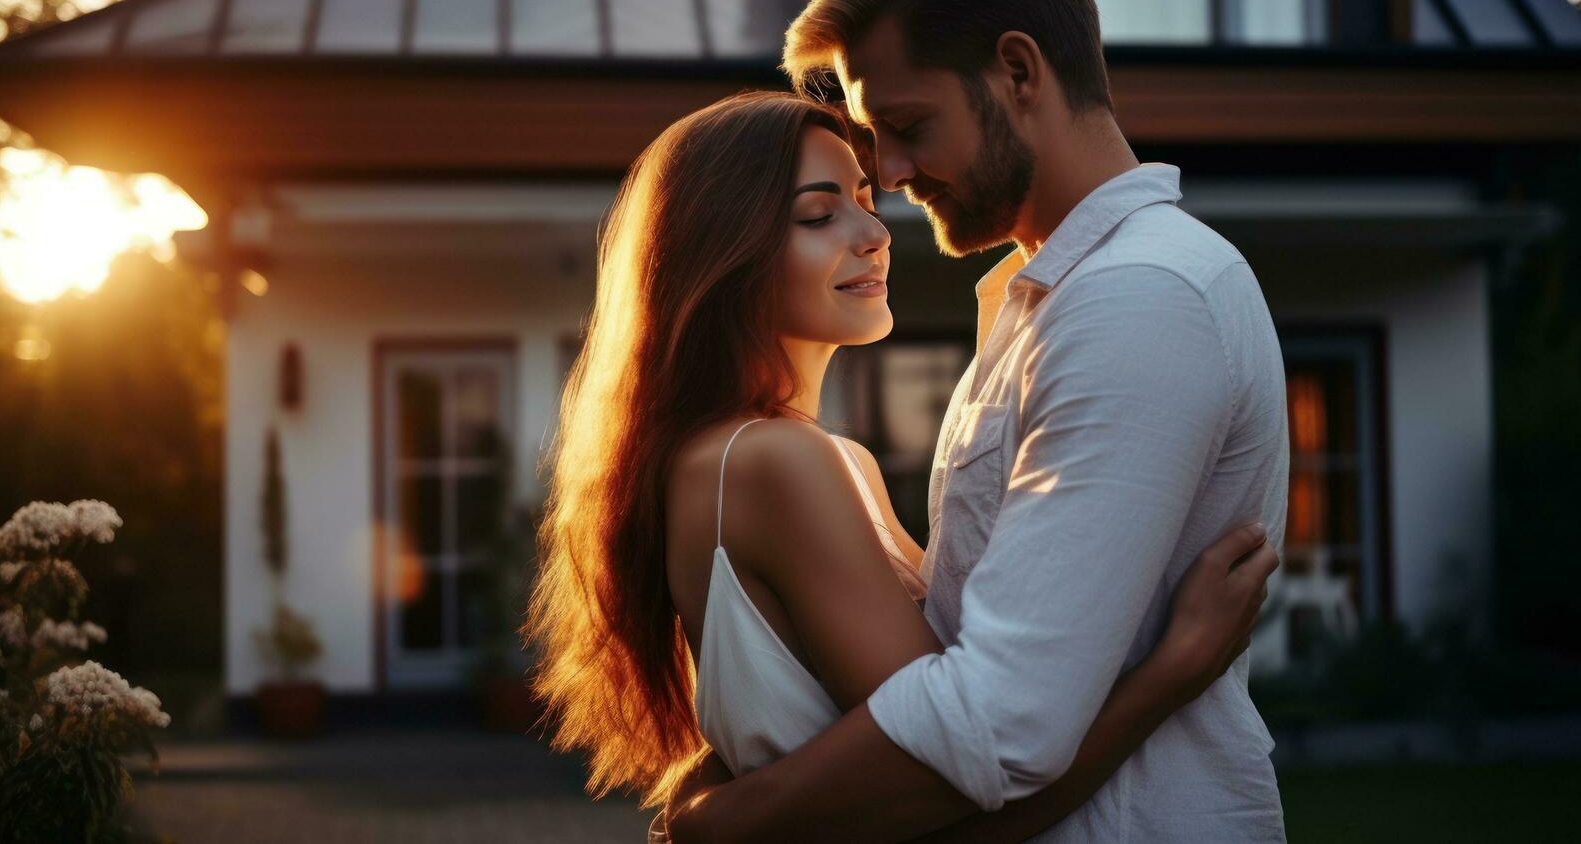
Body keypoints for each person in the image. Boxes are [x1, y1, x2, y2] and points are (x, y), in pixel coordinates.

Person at [663, 0, 1292, 843]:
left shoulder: (1139, 298)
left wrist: (729, 820)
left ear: (1016, 71)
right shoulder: (1047, 302)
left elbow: (1000, 724)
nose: (893, 179)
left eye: (908, 126)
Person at [523, 87, 1278, 843]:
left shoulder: (821, 459)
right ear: (721, 254)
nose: (874, 232)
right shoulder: (769, 461)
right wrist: (1173, 672)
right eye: (819, 216)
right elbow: (965, 787)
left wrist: (716, 803)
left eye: (862, 199)